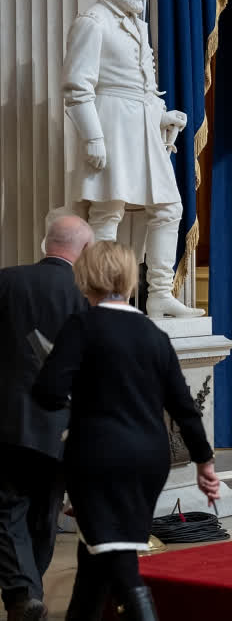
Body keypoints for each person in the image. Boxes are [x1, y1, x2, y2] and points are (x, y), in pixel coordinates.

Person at [32, 241, 220, 621]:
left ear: (85, 277)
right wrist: (204, 462)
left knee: (117, 559)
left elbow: (48, 392)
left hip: (99, 458)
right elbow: (184, 407)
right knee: (94, 561)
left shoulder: (82, 326)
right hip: (149, 459)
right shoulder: (154, 335)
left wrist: (78, 396)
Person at [61, 0, 201, 318]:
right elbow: (77, 87)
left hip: (142, 127)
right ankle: (100, 294)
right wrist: (92, 136)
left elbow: (143, 87)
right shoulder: (93, 22)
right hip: (111, 126)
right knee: (108, 210)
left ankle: (158, 292)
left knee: (170, 208)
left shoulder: (138, 25)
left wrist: (162, 115)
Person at [0, 216, 93, 621]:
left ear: (44, 243)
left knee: (7, 508)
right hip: (62, 425)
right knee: (45, 513)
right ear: (85, 251)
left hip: (7, 420)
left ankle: (24, 593)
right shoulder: (87, 295)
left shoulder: (5, 282)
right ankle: (27, 591)